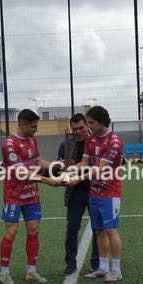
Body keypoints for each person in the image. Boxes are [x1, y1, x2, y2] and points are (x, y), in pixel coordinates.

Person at [0, 109, 60, 284]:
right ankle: (4, 272)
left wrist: (56, 166)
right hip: (14, 194)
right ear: (22, 124)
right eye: (33, 126)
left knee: (33, 229)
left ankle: (31, 271)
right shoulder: (9, 144)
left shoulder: (32, 140)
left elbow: (38, 162)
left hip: (31, 193)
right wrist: (47, 180)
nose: (36, 129)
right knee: (12, 231)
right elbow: (22, 173)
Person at [67, 106, 124, 283]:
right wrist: (68, 170)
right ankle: (103, 267)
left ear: (101, 121)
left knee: (111, 230)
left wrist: (78, 179)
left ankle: (116, 270)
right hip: (94, 192)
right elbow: (84, 163)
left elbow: (100, 169)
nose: (89, 126)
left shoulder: (114, 141)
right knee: (98, 231)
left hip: (110, 193)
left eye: (91, 123)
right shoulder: (91, 140)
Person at [57, 114, 99, 275]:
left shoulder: (96, 142)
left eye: (81, 128)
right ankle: (70, 262)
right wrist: (63, 171)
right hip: (75, 192)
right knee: (72, 228)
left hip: (96, 189)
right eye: (74, 129)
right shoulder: (66, 145)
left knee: (98, 228)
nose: (78, 131)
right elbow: (60, 169)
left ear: (87, 125)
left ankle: (96, 263)